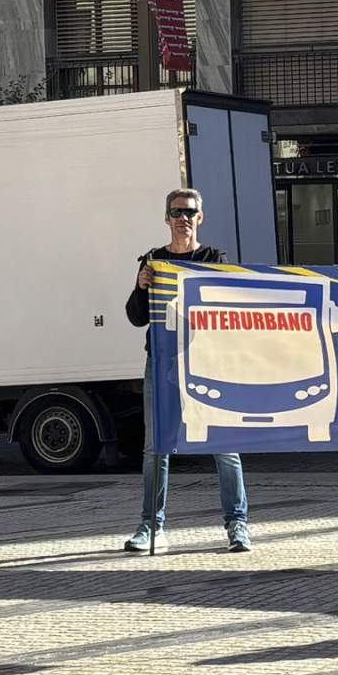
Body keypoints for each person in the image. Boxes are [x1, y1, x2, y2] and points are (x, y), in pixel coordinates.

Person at [122, 188, 253, 554]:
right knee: (156, 448)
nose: (183, 219)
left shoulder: (214, 257)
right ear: (166, 218)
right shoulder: (154, 260)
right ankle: (151, 526)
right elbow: (136, 317)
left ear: (200, 217)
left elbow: (232, 305)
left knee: (225, 446)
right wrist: (140, 286)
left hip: (209, 363)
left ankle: (237, 525)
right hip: (163, 363)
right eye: (176, 212)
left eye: (190, 213)